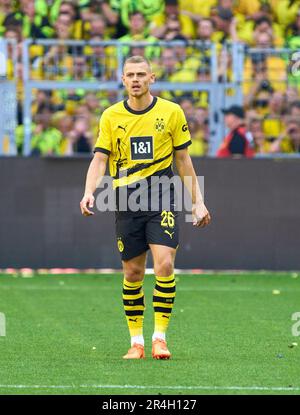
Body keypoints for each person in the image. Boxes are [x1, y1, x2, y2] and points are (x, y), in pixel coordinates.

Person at [80, 55, 211, 360]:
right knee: (133, 272)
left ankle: (159, 338)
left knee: (164, 264)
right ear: (122, 80)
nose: (136, 79)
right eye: (130, 74)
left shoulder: (172, 112)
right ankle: (136, 342)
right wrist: (89, 192)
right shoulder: (111, 116)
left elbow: (183, 160)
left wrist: (198, 201)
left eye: (141, 74)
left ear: (152, 78)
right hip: (126, 199)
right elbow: (100, 159)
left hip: (162, 194)